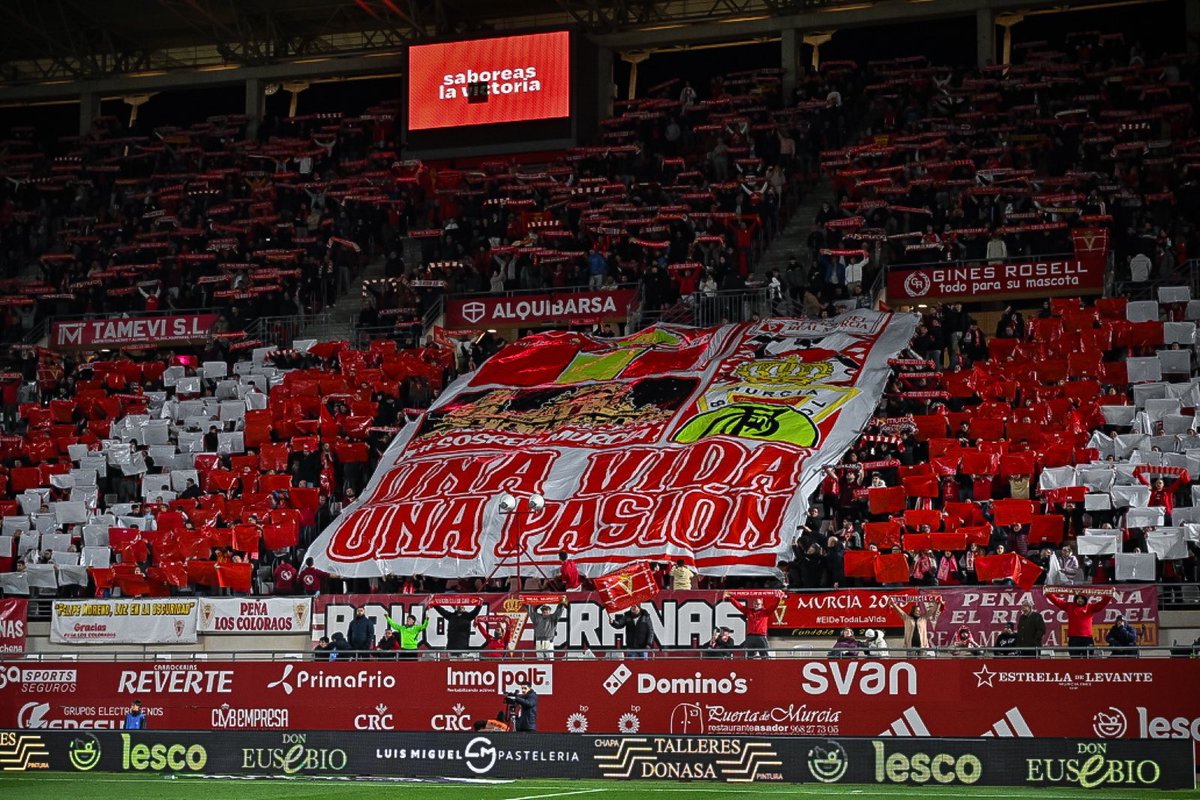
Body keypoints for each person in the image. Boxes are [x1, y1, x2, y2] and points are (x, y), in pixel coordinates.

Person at [1045, 590, 1112, 658]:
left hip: (1087, 638)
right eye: (1078, 598)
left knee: (1089, 658)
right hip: (1074, 638)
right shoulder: (1070, 606)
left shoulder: (1090, 607)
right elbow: (1058, 602)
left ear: (1085, 599)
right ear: (1075, 599)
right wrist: (1048, 594)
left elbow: (1101, 604)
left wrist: (1109, 596)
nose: (1080, 600)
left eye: (1082, 598)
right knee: (1074, 659)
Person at [725, 591, 781, 658]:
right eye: (755, 603)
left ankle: (766, 668)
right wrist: (731, 598)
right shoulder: (749, 611)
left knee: (764, 656)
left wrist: (778, 599)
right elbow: (739, 606)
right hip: (750, 637)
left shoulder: (765, 612)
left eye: (758, 604)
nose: (756, 605)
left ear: (761, 605)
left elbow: (774, 606)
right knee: (749, 656)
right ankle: (749, 668)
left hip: (761, 636)